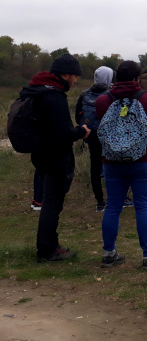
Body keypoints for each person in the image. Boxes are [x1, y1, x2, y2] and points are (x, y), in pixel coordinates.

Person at [95, 60, 147, 270]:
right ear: (138, 78)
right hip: (144, 160)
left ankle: (109, 253)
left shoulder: (102, 100)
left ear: (116, 78)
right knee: (143, 206)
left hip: (111, 161)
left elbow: (100, 130)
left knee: (113, 206)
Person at [23, 53, 90, 262]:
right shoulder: (54, 96)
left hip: (41, 154)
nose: (76, 80)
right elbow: (62, 134)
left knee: (50, 201)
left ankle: (50, 245)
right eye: (75, 76)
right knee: (52, 203)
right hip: (55, 157)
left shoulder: (38, 90)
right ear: (66, 74)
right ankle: (47, 250)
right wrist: (81, 131)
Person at [75, 66, 114, 212]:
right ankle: (115, 198)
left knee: (95, 167)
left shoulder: (85, 94)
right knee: (112, 166)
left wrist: (83, 130)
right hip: (109, 136)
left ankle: (100, 202)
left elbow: (78, 116)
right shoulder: (111, 94)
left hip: (91, 135)